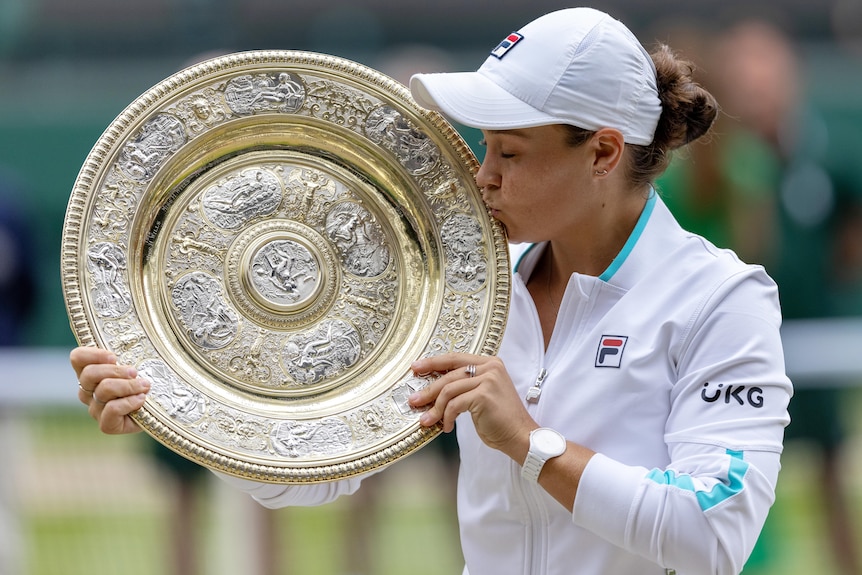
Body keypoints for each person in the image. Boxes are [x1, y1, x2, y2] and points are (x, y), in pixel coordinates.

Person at [70, 7, 792, 574]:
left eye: (510, 152)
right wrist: (179, 410)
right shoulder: (471, 284)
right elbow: (320, 475)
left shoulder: (722, 300)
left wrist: (529, 443)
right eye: (485, 147)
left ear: (603, 152)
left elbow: (710, 533)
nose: (484, 176)